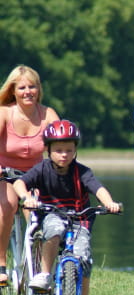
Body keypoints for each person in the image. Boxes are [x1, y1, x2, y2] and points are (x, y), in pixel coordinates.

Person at [13, 120, 121, 295]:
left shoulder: (82, 172)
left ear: (75, 150)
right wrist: (26, 197)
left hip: (80, 219)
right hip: (52, 213)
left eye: (69, 150)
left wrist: (109, 203)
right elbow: (19, 183)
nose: (64, 155)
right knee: (54, 231)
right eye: (59, 150)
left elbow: (98, 189)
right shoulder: (41, 169)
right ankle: (44, 274)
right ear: (48, 149)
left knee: (84, 257)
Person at [0, 65, 59, 283]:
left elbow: (61, 143)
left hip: (35, 175)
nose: (28, 92)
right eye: (22, 87)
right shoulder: (4, 113)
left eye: (32, 87)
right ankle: (1, 264)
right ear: (13, 91)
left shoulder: (48, 114)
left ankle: (40, 266)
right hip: (5, 174)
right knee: (7, 206)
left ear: (39, 89)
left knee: (38, 212)